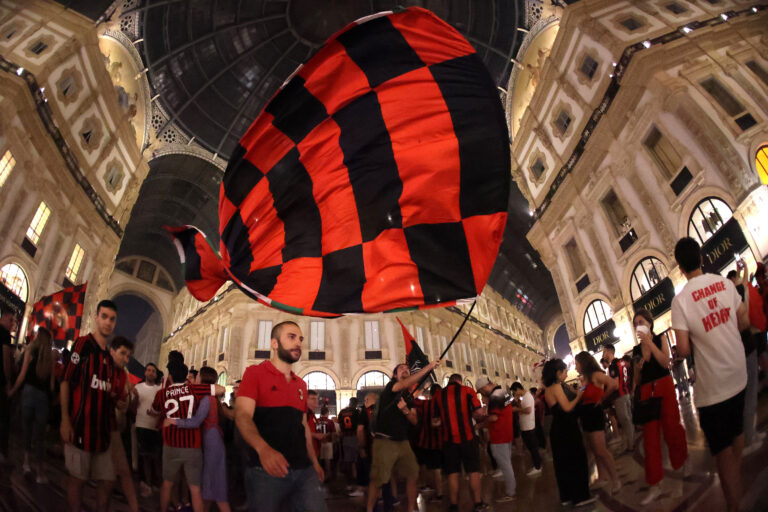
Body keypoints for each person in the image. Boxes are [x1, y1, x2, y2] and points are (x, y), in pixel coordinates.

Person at [671, 237, 750, 512]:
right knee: (737, 430)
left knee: (723, 453)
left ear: (680, 268)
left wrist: (700, 338)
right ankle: (735, 479)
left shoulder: (680, 302)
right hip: (738, 373)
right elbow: (745, 320)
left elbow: (682, 348)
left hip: (713, 387)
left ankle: (733, 505)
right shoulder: (725, 283)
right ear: (702, 258)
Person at [234, 321, 327, 512]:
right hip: (266, 470)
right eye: (291, 337)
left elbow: (303, 428)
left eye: (300, 339)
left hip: (303, 469)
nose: (298, 343)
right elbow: (242, 416)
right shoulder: (254, 373)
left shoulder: (300, 384)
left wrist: (315, 462)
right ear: (274, 344)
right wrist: (264, 449)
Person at [60, 300, 121, 512]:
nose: (107, 322)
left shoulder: (109, 357)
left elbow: (105, 390)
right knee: (77, 480)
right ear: (96, 318)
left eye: (112, 319)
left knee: (108, 480)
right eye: (104, 317)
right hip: (79, 427)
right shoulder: (83, 344)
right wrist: (65, 420)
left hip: (101, 433)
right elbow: (66, 380)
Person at [365, 360, 440, 512]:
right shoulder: (390, 387)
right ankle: (369, 509)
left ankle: (412, 508)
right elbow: (405, 384)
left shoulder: (408, 396)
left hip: (402, 441)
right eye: (401, 369)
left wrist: (406, 410)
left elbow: (414, 420)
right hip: (385, 441)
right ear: (394, 375)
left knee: (413, 473)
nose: (405, 370)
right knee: (378, 479)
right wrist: (429, 367)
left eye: (407, 368)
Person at [631, 309, 688, 504]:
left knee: (672, 428)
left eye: (641, 321)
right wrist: (638, 368)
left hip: (664, 385)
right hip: (647, 391)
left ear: (649, 322)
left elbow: (666, 363)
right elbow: (637, 379)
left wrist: (650, 344)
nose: (638, 324)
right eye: (635, 322)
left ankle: (680, 465)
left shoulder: (660, 338)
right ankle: (654, 483)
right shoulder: (636, 350)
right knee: (650, 439)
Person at [153, 360, 224, 512]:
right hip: (192, 446)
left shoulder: (161, 393)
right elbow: (220, 389)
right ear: (185, 375)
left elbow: (155, 410)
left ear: (170, 376)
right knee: (195, 489)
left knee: (167, 484)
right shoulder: (193, 390)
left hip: (170, 444)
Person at [170, 366, 231, 512]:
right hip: (213, 441)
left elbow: (196, 421)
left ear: (203, 379)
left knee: (215, 490)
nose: (195, 379)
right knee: (211, 490)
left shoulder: (206, 398)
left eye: (197, 377)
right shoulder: (211, 398)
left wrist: (175, 421)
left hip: (212, 444)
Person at [542, 359, 594, 507]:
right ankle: (580, 497)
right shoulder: (556, 386)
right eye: (565, 371)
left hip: (559, 429)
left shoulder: (551, 387)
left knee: (563, 464)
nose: (566, 373)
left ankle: (567, 496)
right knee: (576, 461)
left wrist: (581, 390)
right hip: (566, 428)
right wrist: (579, 396)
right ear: (558, 373)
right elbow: (567, 407)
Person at [728, 264, 767, 454]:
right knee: (749, 394)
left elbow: (743, 283)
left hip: (738, 350)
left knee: (747, 393)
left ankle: (750, 434)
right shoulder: (735, 295)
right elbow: (743, 286)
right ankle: (749, 438)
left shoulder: (730, 296)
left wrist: (741, 271)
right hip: (746, 347)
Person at [9, 326, 55, 482]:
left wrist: (13, 390)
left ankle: (26, 464)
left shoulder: (29, 351)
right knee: (40, 436)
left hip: (28, 393)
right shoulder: (51, 356)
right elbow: (52, 385)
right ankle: (40, 472)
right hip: (42, 397)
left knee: (27, 430)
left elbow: (22, 375)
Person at [439, 373, 487, 512]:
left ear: (450, 381)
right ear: (460, 381)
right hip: (468, 438)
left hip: (449, 440)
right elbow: (478, 413)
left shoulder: (439, 395)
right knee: (473, 471)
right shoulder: (468, 391)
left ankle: (454, 505)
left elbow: (435, 422)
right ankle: (478, 503)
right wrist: (480, 413)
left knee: (453, 473)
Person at [574, 351, 620, 493]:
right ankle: (602, 477)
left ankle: (615, 479)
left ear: (583, 363)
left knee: (601, 449)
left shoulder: (596, 375)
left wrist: (602, 398)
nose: (575, 367)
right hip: (586, 414)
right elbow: (582, 394)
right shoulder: (585, 378)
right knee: (594, 449)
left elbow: (613, 384)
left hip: (594, 414)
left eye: (577, 364)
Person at [103, 337, 139, 512]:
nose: (126, 358)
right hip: (95, 424)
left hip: (114, 425)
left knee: (120, 471)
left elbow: (122, 397)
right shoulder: (102, 369)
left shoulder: (122, 373)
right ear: (112, 351)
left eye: (128, 355)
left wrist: (124, 400)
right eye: (123, 353)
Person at [476, 377, 516, 502]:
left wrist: (480, 424)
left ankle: (510, 492)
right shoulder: (504, 392)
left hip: (499, 435)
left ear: (484, 387)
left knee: (505, 465)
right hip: (507, 433)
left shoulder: (494, 397)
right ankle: (510, 487)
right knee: (507, 463)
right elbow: (508, 410)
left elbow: (494, 418)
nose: (482, 395)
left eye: (481, 392)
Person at [133, 362, 162, 497]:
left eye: (153, 371)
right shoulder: (137, 388)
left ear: (156, 375)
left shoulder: (160, 389)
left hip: (155, 428)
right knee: (144, 457)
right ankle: (147, 483)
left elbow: (163, 408)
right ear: (145, 373)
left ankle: (155, 483)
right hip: (141, 426)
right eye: (148, 370)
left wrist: (157, 414)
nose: (150, 373)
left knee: (155, 457)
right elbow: (132, 407)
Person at [413, 383, 444, 502]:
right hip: (440, 441)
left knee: (423, 464)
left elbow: (412, 400)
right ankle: (439, 492)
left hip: (425, 440)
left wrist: (422, 388)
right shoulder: (445, 405)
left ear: (431, 394)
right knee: (437, 468)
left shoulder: (426, 405)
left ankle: (425, 484)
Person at [602, 343, 634, 453]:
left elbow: (615, 384)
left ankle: (630, 445)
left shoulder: (613, 365)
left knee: (625, 421)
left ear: (610, 352)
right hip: (626, 393)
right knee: (628, 420)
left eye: (604, 351)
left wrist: (604, 396)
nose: (603, 354)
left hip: (619, 396)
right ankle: (631, 442)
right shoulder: (621, 362)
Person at [510, 382, 542, 476]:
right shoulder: (523, 397)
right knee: (531, 448)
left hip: (529, 427)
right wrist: (518, 403)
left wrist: (517, 410)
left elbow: (528, 410)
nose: (515, 394)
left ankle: (538, 467)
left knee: (533, 448)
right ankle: (537, 464)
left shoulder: (527, 396)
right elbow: (522, 407)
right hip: (525, 426)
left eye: (514, 392)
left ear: (518, 389)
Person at [0, 307, 18, 463]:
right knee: (3, 417)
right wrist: (8, 381)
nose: (12, 323)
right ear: (4, 316)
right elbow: (6, 360)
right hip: (1, 382)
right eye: (11, 319)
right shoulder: (5, 335)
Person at [337, 397, 361, 491]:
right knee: (356, 460)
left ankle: (349, 482)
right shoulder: (357, 412)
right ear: (355, 404)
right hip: (355, 437)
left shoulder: (342, 412)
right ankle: (356, 480)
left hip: (345, 438)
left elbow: (340, 424)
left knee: (347, 460)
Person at [317, 406, 336, 480]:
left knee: (319, 460)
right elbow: (333, 433)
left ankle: (319, 475)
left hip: (319, 442)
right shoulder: (330, 421)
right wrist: (334, 443)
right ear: (327, 413)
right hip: (328, 442)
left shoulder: (317, 420)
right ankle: (328, 475)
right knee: (327, 460)